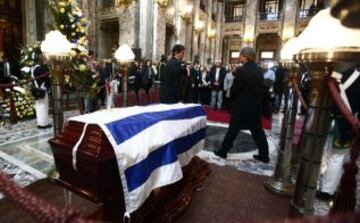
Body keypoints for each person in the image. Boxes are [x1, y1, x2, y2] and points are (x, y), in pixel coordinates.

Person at [213, 47, 269, 163]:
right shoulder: (259, 70)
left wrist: (232, 100)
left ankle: (223, 151)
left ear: (245, 56)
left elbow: (235, 90)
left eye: (241, 56)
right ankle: (264, 155)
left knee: (232, 130)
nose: (239, 58)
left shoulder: (242, 71)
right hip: (255, 106)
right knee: (258, 131)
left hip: (241, 107)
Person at [32, 52, 51, 129]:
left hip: (36, 88)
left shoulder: (34, 67)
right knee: (43, 107)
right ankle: (43, 124)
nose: (44, 60)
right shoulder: (40, 68)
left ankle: (40, 123)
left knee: (39, 106)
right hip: (42, 88)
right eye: (43, 58)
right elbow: (46, 78)